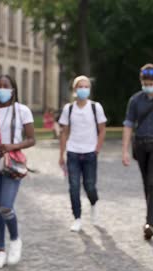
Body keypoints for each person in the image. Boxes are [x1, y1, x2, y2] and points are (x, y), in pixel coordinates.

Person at [0, 74, 36, 269]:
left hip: (12, 159)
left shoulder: (22, 111)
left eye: (6, 86)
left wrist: (13, 146)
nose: (2, 89)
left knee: (6, 206)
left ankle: (15, 239)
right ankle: (0, 251)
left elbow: (31, 139)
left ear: (13, 90)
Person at [122, 64, 153, 240]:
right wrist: (125, 151)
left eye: (151, 81)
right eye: (145, 82)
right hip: (141, 145)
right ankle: (150, 214)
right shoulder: (135, 100)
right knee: (146, 184)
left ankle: (150, 223)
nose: (148, 84)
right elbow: (128, 125)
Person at [58, 75, 107, 232]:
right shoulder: (69, 109)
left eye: (86, 87)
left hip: (90, 153)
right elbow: (64, 132)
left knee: (90, 186)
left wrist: (97, 149)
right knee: (73, 186)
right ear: (75, 89)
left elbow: (102, 129)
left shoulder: (95, 107)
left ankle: (94, 204)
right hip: (73, 152)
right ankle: (77, 218)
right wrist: (61, 154)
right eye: (81, 87)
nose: (83, 89)